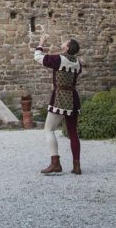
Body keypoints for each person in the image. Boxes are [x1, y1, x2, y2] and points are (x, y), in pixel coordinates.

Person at [34, 31, 82, 175]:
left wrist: (41, 42)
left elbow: (37, 57)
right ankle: (77, 166)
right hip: (73, 98)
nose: (63, 42)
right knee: (73, 133)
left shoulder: (58, 59)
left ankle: (55, 163)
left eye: (65, 42)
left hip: (60, 97)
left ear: (67, 48)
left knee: (49, 129)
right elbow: (69, 68)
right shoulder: (78, 64)